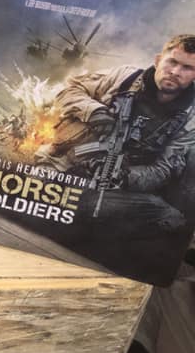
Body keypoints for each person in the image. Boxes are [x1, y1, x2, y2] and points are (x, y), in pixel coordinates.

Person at [34, 35, 195, 278]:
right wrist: (94, 112)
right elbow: (69, 90)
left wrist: (125, 177)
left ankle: (84, 230)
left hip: (112, 192)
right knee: (32, 192)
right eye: (172, 62)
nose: (175, 72)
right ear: (158, 60)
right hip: (62, 168)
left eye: (187, 68)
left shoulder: (190, 120)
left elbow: (163, 170)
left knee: (171, 219)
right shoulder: (125, 77)